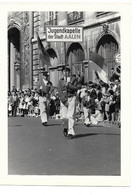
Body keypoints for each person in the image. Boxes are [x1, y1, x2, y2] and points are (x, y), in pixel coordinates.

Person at [58, 66, 81, 139]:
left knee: (70, 116)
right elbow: (59, 92)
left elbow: (76, 88)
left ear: (69, 72)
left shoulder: (74, 79)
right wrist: (64, 101)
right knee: (64, 117)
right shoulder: (60, 81)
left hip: (71, 98)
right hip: (64, 99)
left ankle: (71, 132)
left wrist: (69, 85)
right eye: (64, 71)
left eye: (67, 71)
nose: (66, 73)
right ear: (62, 73)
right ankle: (65, 127)